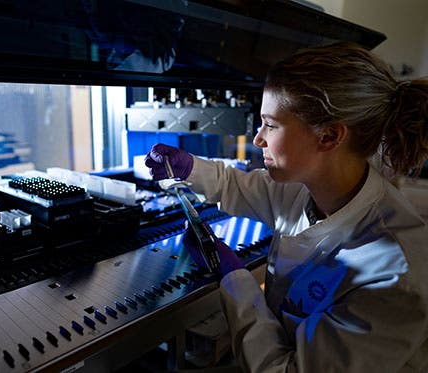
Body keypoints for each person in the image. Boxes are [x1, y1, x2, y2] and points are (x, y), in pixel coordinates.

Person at [145, 42, 428, 372]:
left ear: (328, 137)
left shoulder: (394, 273)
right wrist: (187, 167)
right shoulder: (310, 188)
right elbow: (233, 185)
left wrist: (235, 277)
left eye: (271, 124)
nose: (257, 139)